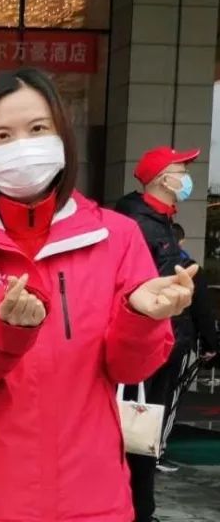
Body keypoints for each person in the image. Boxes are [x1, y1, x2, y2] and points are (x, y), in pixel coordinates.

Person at [0, 68, 195, 522]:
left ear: (62, 137)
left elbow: (132, 369)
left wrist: (142, 317)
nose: (22, 146)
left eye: (37, 129)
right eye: (2, 136)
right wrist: (6, 333)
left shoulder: (117, 237)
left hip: (91, 493)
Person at [116, 153, 217, 514]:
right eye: (180, 171)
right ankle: (136, 509)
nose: (186, 178)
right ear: (161, 178)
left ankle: (138, 506)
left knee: (143, 431)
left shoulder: (158, 222)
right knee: (138, 430)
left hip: (164, 343)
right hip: (149, 344)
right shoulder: (141, 225)